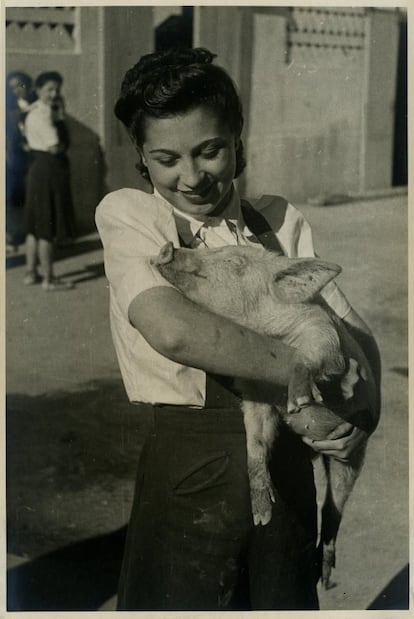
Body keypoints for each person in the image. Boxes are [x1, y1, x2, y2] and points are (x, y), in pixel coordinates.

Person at [95, 48, 381, 611]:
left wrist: (359, 419)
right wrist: (300, 389)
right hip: (191, 466)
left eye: (210, 151)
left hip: (291, 466)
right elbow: (173, 330)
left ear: (238, 143)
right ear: (143, 159)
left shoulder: (276, 221)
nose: (193, 176)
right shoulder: (133, 216)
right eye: (167, 158)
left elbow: (354, 333)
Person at [23, 71, 75, 291]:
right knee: (47, 225)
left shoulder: (32, 110)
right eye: (49, 90)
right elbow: (55, 147)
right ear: (38, 90)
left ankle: (30, 273)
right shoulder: (45, 115)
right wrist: (61, 122)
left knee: (34, 226)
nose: (54, 94)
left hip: (37, 168)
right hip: (49, 169)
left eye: (57, 89)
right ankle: (49, 279)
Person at [6, 71, 36, 251]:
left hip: (34, 158)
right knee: (11, 199)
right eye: (12, 87)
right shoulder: (9, 108)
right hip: (16, 158)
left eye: (20, 85)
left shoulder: (37, 103)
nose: (17, 90)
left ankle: (28, 233)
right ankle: (11, 236)